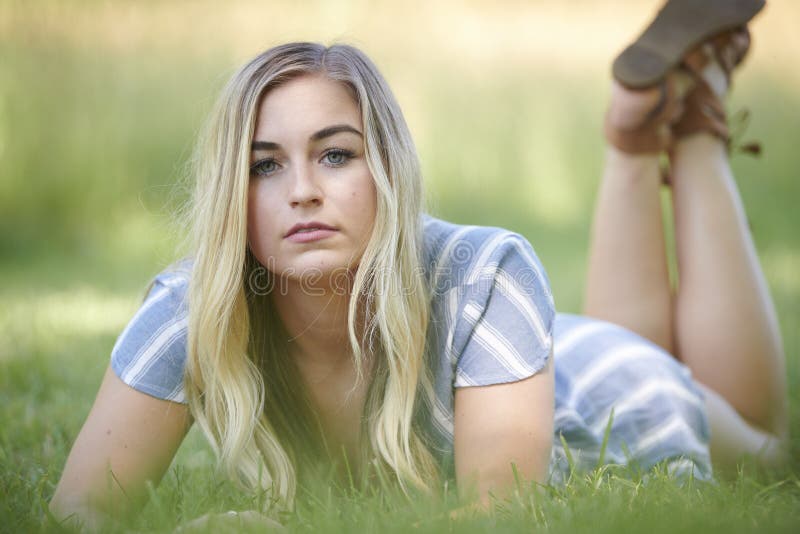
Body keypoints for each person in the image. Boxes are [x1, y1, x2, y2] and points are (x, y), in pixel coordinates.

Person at [50, 1, 787, 529]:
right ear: (227, 196)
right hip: (518, 365)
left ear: (389, 170)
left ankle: (693, 122)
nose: (302, 189)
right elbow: (78, 510)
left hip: (602, 391)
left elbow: (504, 513)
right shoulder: (189, 308)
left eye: (335, 154)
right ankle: (640, 121)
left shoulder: (482, 273)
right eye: (263, 166)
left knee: (768, 447)